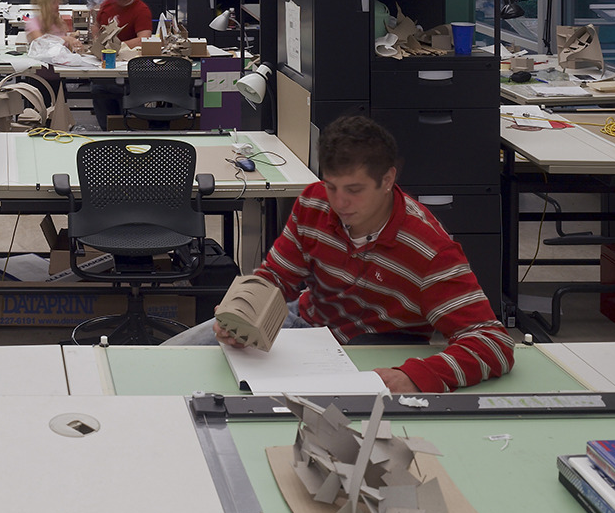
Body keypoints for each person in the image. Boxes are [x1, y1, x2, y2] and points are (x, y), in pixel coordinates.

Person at [163, 115, 516, 394]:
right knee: (170, 359)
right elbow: (276, 276)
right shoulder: (315, 201)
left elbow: (493, 342)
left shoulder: (428, 250)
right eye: (332, 186)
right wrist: (244, 311)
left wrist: (418, 375)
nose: (339, 202)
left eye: (355, 190)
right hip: (307, 324)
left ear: (388, 179)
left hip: (377, 347)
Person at [90, 0, 156, 128]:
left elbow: (144, 38)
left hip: (129, 70)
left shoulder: (141, 10)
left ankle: (129, 129)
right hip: (105, 66)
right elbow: (96, 25)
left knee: (126, 96)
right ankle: (107, 130)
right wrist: (97, 38)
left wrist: (115, 46)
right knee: (98, 88)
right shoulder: (107, 5)